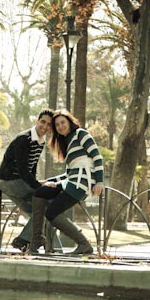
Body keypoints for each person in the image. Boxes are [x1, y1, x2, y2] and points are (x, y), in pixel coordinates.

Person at [28, 109, 105, 255]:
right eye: (57, 125)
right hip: (71, 181)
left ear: (70, 121)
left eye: (63, 122)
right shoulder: (68, 143)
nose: (60, 126)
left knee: (52, 213)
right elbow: (68, 174)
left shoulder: (81, 134)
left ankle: (84, 244)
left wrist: (99, 181)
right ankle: (36, 239)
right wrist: (48, 181)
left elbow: (97, 157)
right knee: (40, 192)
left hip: (81, 183)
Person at [0, 109, 67, 252]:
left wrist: (36, 183)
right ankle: (23, 240)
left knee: (41, 213)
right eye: (43, 122)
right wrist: (38, 187)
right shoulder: (24, 138)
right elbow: (22, 170)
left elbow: (32, 167)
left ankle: (54, 249)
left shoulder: (40, 141)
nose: (44, 126)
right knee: (46, 205)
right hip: (9, 181)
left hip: (19, 182)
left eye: (48, 125)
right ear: (37, 121)